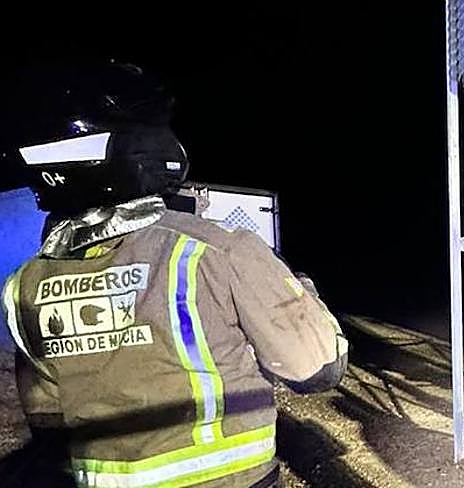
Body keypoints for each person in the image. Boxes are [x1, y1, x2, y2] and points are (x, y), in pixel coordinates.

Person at [0, 59, 347, 488]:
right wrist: (301, 295)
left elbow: (48, 422)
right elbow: (318, 370)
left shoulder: (25, 287)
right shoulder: (216, 250)